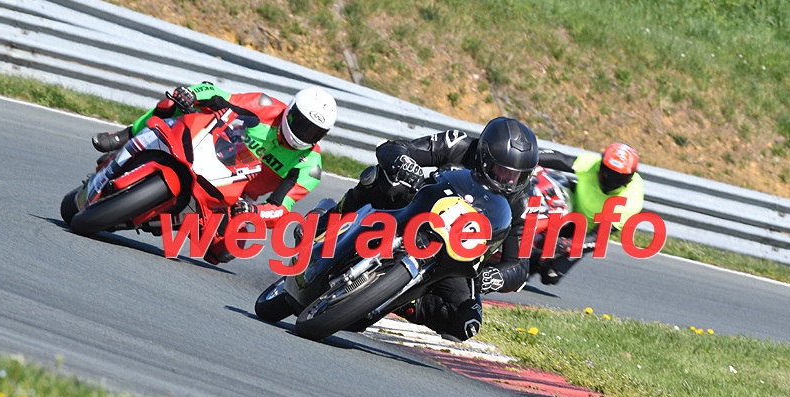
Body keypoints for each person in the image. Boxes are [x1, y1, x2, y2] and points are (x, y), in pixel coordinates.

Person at [322, 116, 539, 342]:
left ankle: (395, 300)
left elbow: (520, 265)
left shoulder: (525, 202)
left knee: (466, 322)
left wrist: (494, 277)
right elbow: (394, 147)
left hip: (455, 254)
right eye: (501, 170)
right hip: (416, 210)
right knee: (384, 178)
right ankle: (329, 221)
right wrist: (404, 163)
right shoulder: (459, 145)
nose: (508, 180)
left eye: (517, 175)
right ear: (483, 155)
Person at [93, 82, 338, 263]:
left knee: (228, 248)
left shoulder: (310, 167)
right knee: (175, 102)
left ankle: (172, 219)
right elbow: (217, 94)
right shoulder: (265, 106)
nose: (303, 134)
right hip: (211, 146)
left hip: (236, 195)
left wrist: (253, 211)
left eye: (313, 132)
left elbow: (281, 208)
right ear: (290, 111)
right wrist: (192, 93)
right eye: (301, 124)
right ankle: (127, 135)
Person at [533, 142, 644, 284]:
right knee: (550, 184)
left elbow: (597, 237)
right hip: (569, 208)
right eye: (608, 172)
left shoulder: (631, 201)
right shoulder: (593, 165)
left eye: (618, 178)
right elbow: (562, 159)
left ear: (630, 177)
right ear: (601, 165)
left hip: (587, 233)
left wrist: (567, 243)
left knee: (550, 275)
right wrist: (527, 156)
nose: (611, 180)